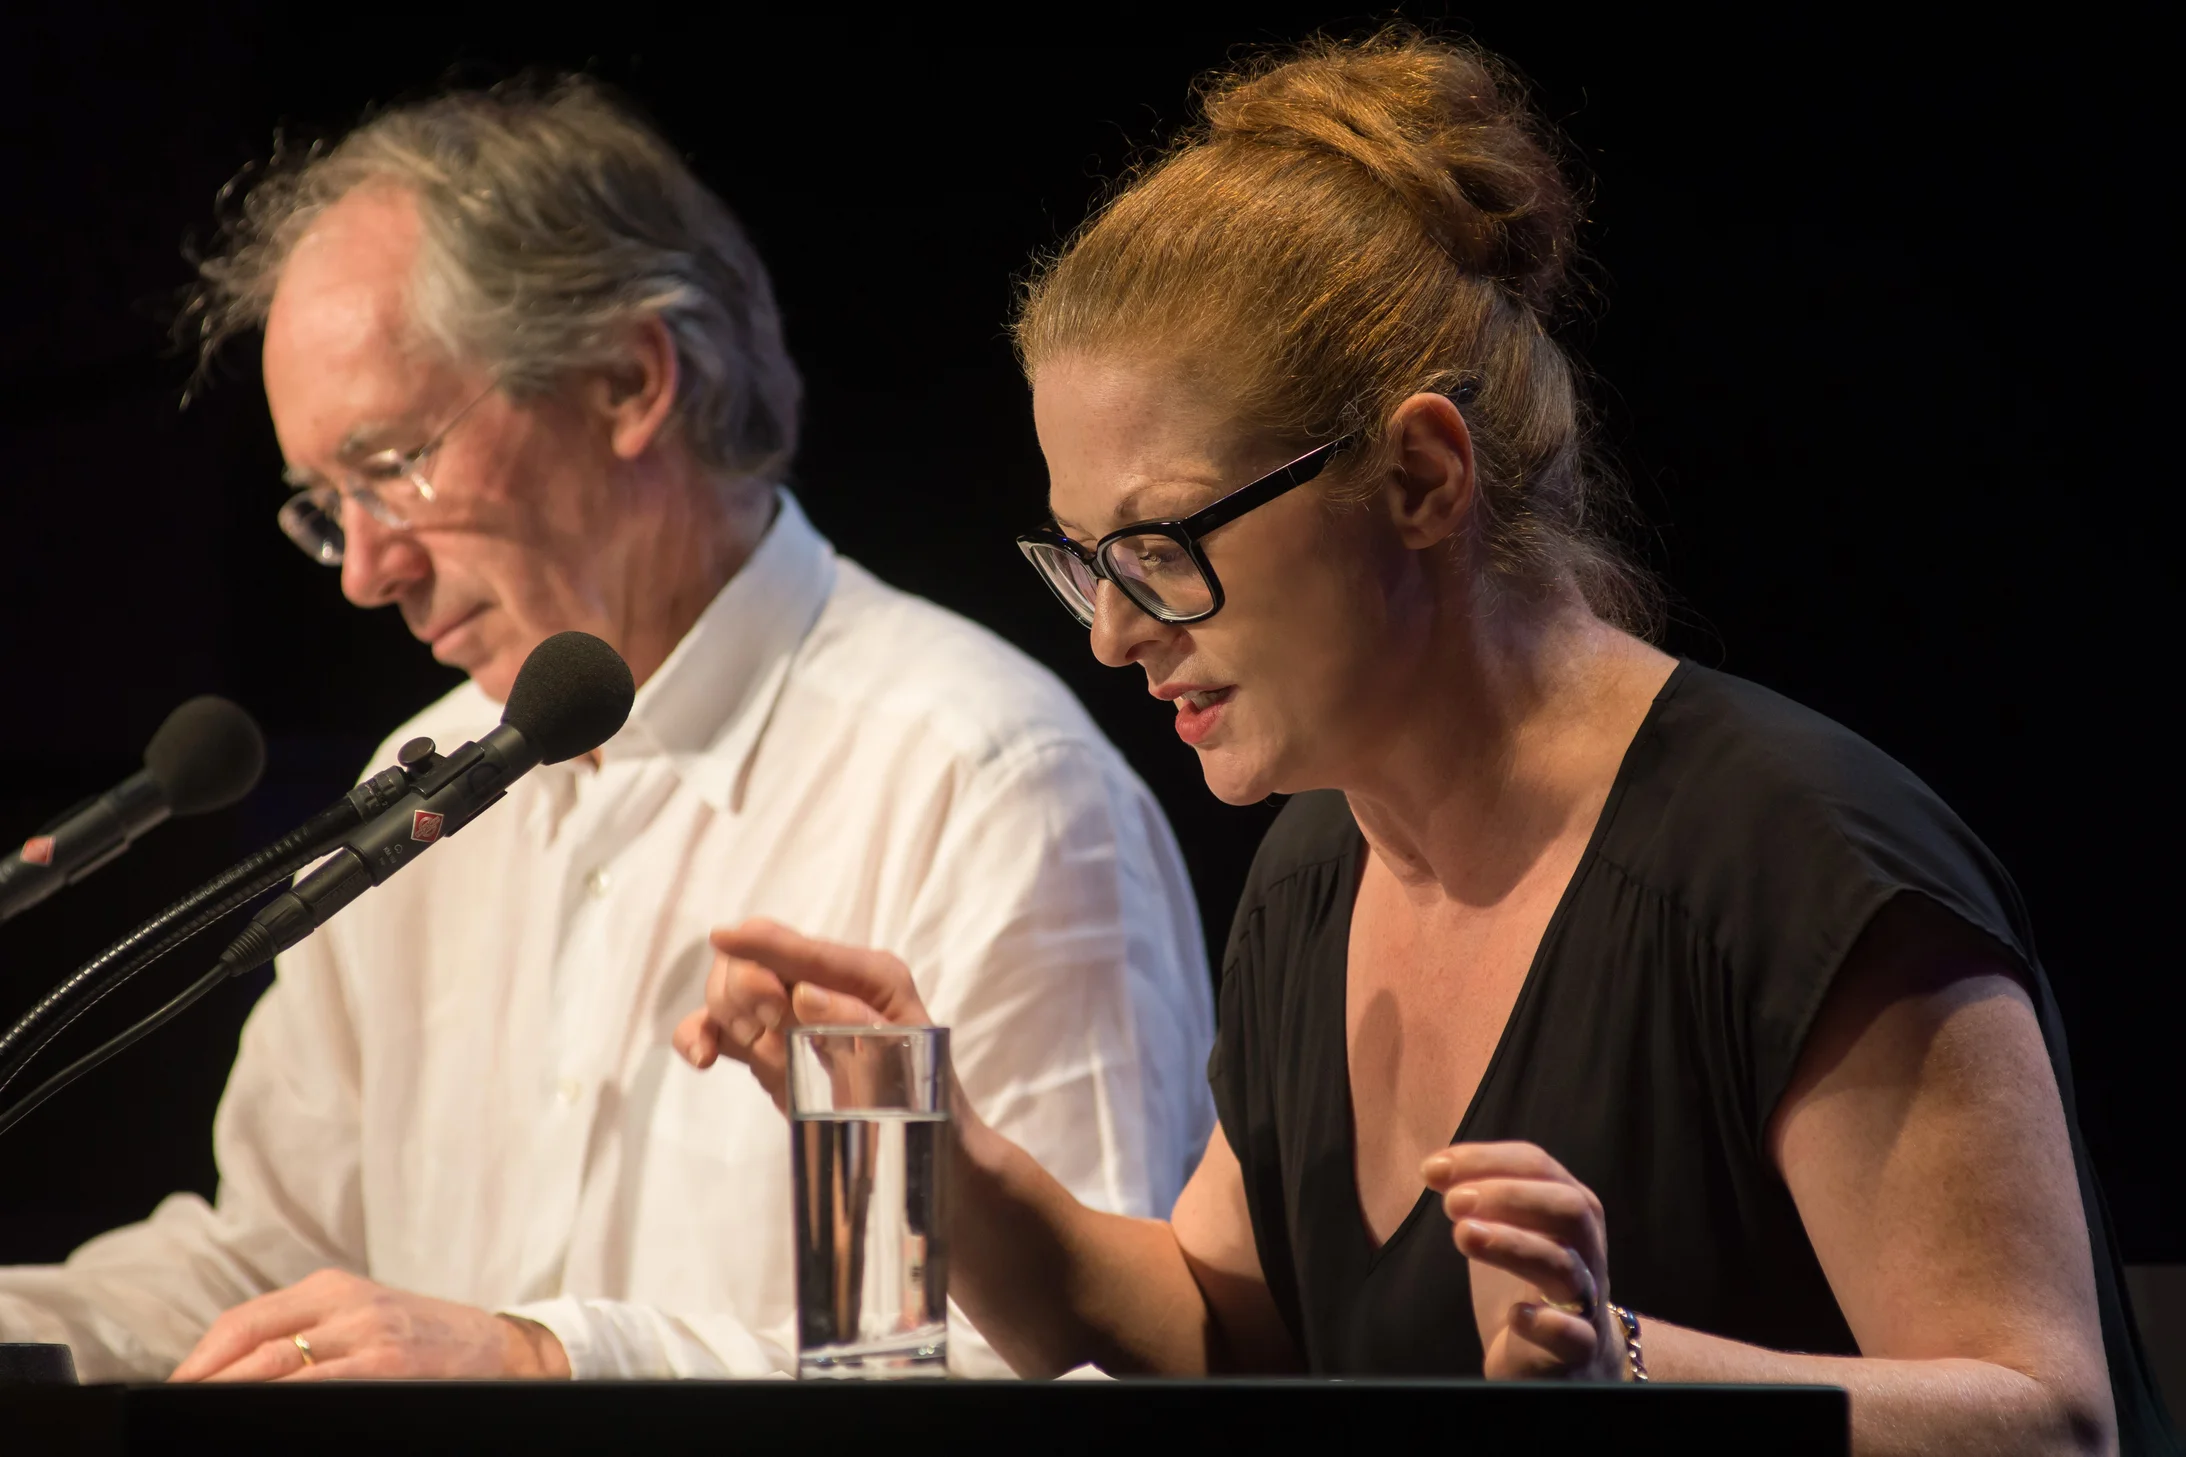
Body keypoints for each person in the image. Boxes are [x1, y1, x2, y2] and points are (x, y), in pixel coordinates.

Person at [676, 31, 2175, 1455]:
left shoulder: (1793, 862)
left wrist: (1629, 1369)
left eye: (1156, 547)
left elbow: (2049, 1415)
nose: (1115, 632)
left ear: (1416, 475)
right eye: (1082, 559)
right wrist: (925, 1132)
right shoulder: (1318, 868)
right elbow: (1218, 1328)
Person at [0, 80, 1214, 1383]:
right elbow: (273, 1263)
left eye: (394, 464)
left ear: (630, 381)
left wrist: (548, 1364)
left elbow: (1072, 1369)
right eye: (322, 504)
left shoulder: (975, 782)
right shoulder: (409, 794)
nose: (361, 569)